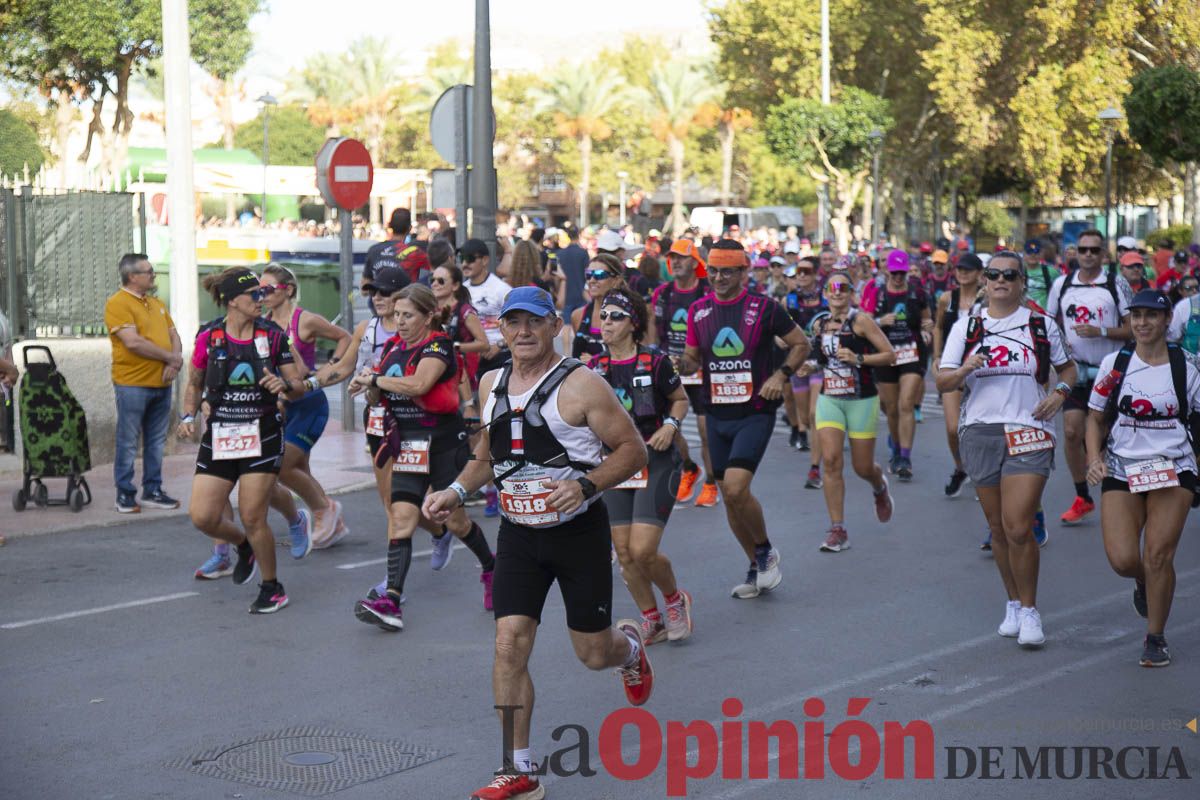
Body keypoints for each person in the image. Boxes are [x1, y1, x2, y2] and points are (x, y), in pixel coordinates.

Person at [421, 286, 652, 800]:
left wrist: (586, 484)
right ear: (501, 329)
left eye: (534, 322)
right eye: (513, 323)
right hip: (519, 534)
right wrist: (456, 491)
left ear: (553, 326)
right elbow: (488, 452)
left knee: (593, 654)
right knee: (508, 646)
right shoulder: (490, 383)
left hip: (577, 536)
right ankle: (517, 769)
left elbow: (632, 451)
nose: (523, 333)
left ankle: (629, 646)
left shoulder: (583, 385)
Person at [938, 252, 1076, 647]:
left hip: (1029, 429)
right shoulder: (966, 327)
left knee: (1018, 525)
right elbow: (945, 381)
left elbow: (1068, 370)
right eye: (994, 275)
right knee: (998, 528)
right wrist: (965, 370)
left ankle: (1031, 612)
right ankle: (1012, 602)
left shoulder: (1040, 324)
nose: (1001, 281)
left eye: (1009, 275)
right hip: (980, 431)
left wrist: (1060, 393)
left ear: (1021, 282)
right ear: (984, 281)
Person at [348, 284, 496, 630]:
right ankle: (392, 601)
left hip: (444, 445)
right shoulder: (393, 347)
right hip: (409, 446)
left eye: (407, 315)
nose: (399, 321)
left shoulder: (439, 345)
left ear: (428, 316)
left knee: (456, 523)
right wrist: (367, 387)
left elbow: (418, 385)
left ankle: (491, 568)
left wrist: (378, 379)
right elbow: (377, 398)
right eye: (397, 314)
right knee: (401, 518)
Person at [679, 240, 811, 598]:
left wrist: (780, 376)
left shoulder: (764, 308)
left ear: (742, 272)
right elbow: (693, 357)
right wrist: (683, 364)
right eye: (714, 271)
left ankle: (765, 550)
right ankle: (756, 566)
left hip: (754, 411)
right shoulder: (699, 311)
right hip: (715, 410)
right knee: (730, 496)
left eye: (727, 271)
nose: (718, 278)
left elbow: (802, 344)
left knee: (737, 487)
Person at [179, 268, 307, 613]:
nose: (260, 299)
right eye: (254, 294)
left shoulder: (273, 336)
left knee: (253, 516)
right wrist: (188, 416)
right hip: (221, 435)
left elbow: (298, 384)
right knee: (202, 516)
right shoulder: (209, 336)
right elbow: (194, 382)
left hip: (262, 435)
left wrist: (285, 387)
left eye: (263, 293)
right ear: (233, 300)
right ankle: (244, 546)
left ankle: (272, 587)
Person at [1085, 289, 1198, 667]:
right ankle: (1142, 582)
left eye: (1152, 315)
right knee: (1123, 559)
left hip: (1174, 466)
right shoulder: (1115, 364)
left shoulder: (1187, 365)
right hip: (1122, 466)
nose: (1143, 323)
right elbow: (1095, 416)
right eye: (1136, 316)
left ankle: (1155, 637)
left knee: (1158, 555)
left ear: (1167, 320)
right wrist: (1093, 458)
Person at [590, 286, 693, 645]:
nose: (606, 322)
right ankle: (653, 618)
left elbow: (679, 400)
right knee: (623, 552)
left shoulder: (655, 361)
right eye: (603, 315)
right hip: (616, 465)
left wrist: (671, 425)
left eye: (615, 316)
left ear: (633, 324)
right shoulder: (593, 368)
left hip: (656, 458)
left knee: (643, 550)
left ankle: (674, 601)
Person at [259, 265, 351, 551]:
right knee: (298, 466)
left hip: (308, 403)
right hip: (281, 404)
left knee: (284, 465)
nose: (262, 295)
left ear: (287, 289)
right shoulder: (263, 322)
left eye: (268, 289)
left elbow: (344, 338)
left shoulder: (305, 320)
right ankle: (330, 520)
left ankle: (325, 509)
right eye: (259, 290)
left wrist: (329, 367)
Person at [1046, 229, 1132, 525]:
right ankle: (1082, 495)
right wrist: (1058, 347)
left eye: (1094, 250)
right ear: (1076, 252)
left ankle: (1116, 489)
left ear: (1103, 255)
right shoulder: (1062, 284)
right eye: (1083, 249)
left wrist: (1102, 332)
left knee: (1106, 435)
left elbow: (1134, 328)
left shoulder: (1115, 284)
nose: (1088, 255)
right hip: (1075, 370)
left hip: (1109, 372)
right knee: (1071, 431)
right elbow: (1048, 324)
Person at [806, 271, 895, 552]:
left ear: (850, 293)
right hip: (829, 399)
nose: (836, 292)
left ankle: (879, 485)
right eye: (831, 287)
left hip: (861, 399)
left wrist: (859, 358)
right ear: (825, 293)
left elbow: (890, 355)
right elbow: (820, 359)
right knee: (831, 460)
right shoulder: (820, 324)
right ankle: (837, 529)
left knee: (862, 467)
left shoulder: (861, 321)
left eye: (842, 287)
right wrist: (809, 366)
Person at [104, 253, 183, 513]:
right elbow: (133, 342)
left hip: (162, 383)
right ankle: (125, 494)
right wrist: (170, 358)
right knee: (128, 440)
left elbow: (174, 335)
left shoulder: (157, 303)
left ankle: (153, 489)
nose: (153, 275)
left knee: (156, 440)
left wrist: (173, 362)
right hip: (132, 384)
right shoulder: (118, 303)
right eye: (148, 271)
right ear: (132, 276)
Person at [651, 239, 719, 508]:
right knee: (670, 427)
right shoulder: (663, 293)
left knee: (705, 430)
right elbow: (654, 332)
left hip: (702, 369)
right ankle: (689, 468)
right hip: (671, 369)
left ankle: (711, 483)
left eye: (681, 257)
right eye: (672, 258)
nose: (676, 262)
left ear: (694, 261)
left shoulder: (707, 291)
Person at [872, 249, 932, 481]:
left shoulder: (917, 293)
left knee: (906, 404)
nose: (898, 277)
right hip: (886, 355)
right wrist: (879, 321)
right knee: (891, 408)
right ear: (887, 270)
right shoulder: (877, 294)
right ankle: (896, 448)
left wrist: (927, 329)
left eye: (902, 273)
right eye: (894, 273)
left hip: (912, 353)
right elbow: (863, 321)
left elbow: (927, 319)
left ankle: (905, 457)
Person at [933, 253, 984, 497]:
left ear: (979, 273)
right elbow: (938, 327)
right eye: (959, 269)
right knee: (953, 428)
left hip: (981, 368)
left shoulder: (987, 299)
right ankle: (960, 467)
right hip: (953, 367)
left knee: (980, 428)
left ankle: (986, 475)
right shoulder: (947, 298)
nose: (963, 273)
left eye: (968, 269)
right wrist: (936, 358)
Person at [784, 257, 827, 488]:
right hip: (799, 363)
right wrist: (781, 341)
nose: (801, 275)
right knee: (805, 418)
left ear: (815, 274)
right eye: (798, 272)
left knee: (813, 414)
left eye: (806, 272)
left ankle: (815, 468)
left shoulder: (827, 297)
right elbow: (779, 330)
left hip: (820, 363)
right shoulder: (789, 300)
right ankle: (820, 444)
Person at [569, 253, 626, 360]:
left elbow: (633, 357)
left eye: (600, 275)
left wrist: (597, 362)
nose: (592, 280)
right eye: (588, 274)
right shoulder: (578, 315)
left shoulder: (625, 316)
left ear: (616, 280)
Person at [362, 208, 417, 292]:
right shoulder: (414, 253)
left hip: (378, 302)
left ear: (389, 225)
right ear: (410, 228)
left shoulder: (374, 250)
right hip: (403, 302)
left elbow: (364, 289)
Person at [557, 224, 589, 315]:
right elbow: (587, 274)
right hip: (581, 294)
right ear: (578, 234)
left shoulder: (560, 253)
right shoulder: (583, 253)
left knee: (566, 326)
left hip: (565, 294)